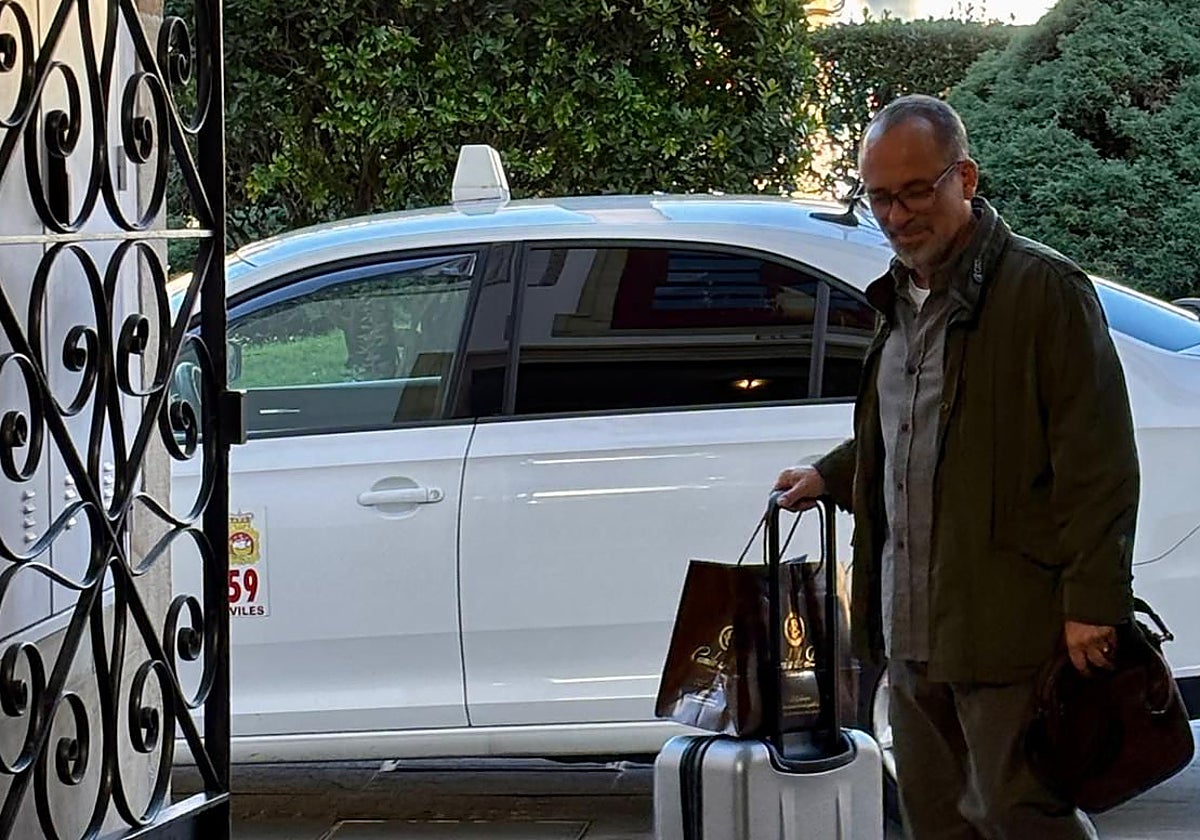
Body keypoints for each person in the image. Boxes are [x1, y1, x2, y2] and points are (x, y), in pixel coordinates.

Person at [775, 94, 1139, 839]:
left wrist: (1093, 604)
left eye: (915, 191)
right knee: (936, 819)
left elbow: (1098, 462)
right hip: (909, 623)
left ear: (964, 178)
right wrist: (831, 474)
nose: (896, 214)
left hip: (1007, 622)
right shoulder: (897, 297)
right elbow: (916, 433)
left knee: (1018, 814)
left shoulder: (1043, 292)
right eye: (880, 196)